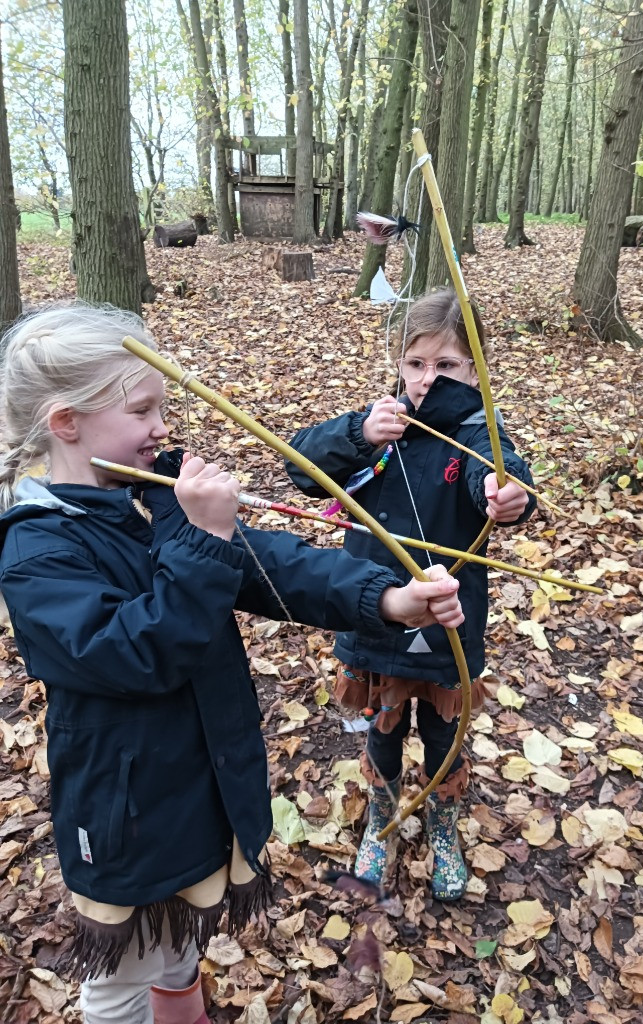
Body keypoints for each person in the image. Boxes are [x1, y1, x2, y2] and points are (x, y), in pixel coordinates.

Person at [0, 304, 464, 1024]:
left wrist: (390, 599)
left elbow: (266, 563)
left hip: (195, 783)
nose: (162, 426)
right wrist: (206, 541)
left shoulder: (149, 494)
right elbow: (136, 652)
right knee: (124, 980)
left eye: (164, 406)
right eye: (143, 408)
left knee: (178, 946)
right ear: (67, 423)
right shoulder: (37, 551)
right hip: (127, 809)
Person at [285, 287, 537, 902]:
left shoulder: (479, 433)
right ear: (398, 364)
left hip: (450, 625)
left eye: (446, 365)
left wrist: (508, 496)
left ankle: (442, 820)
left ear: (474, 369)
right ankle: (383, 818)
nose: (428, 380)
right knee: (383, 728)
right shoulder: (380, 424)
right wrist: (358, 434)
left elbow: (500, 477)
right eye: (416, 363)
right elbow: (301, 466)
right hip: (375, 614)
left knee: (446, 735)